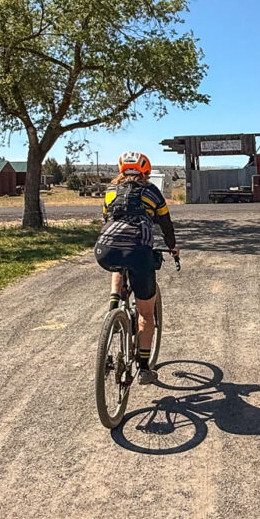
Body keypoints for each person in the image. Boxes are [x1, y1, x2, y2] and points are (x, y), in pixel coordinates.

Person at [93, 151, 177, 384]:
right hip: (139, 252)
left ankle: (113, 306)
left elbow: (105, 218)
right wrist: (173, 247)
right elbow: (165, 223)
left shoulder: (110, 192)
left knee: (119, 263)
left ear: (121, 171)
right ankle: (143, 368)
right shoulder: (151, 192)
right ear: (146, 171)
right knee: (146, 314)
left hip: (105, 250)